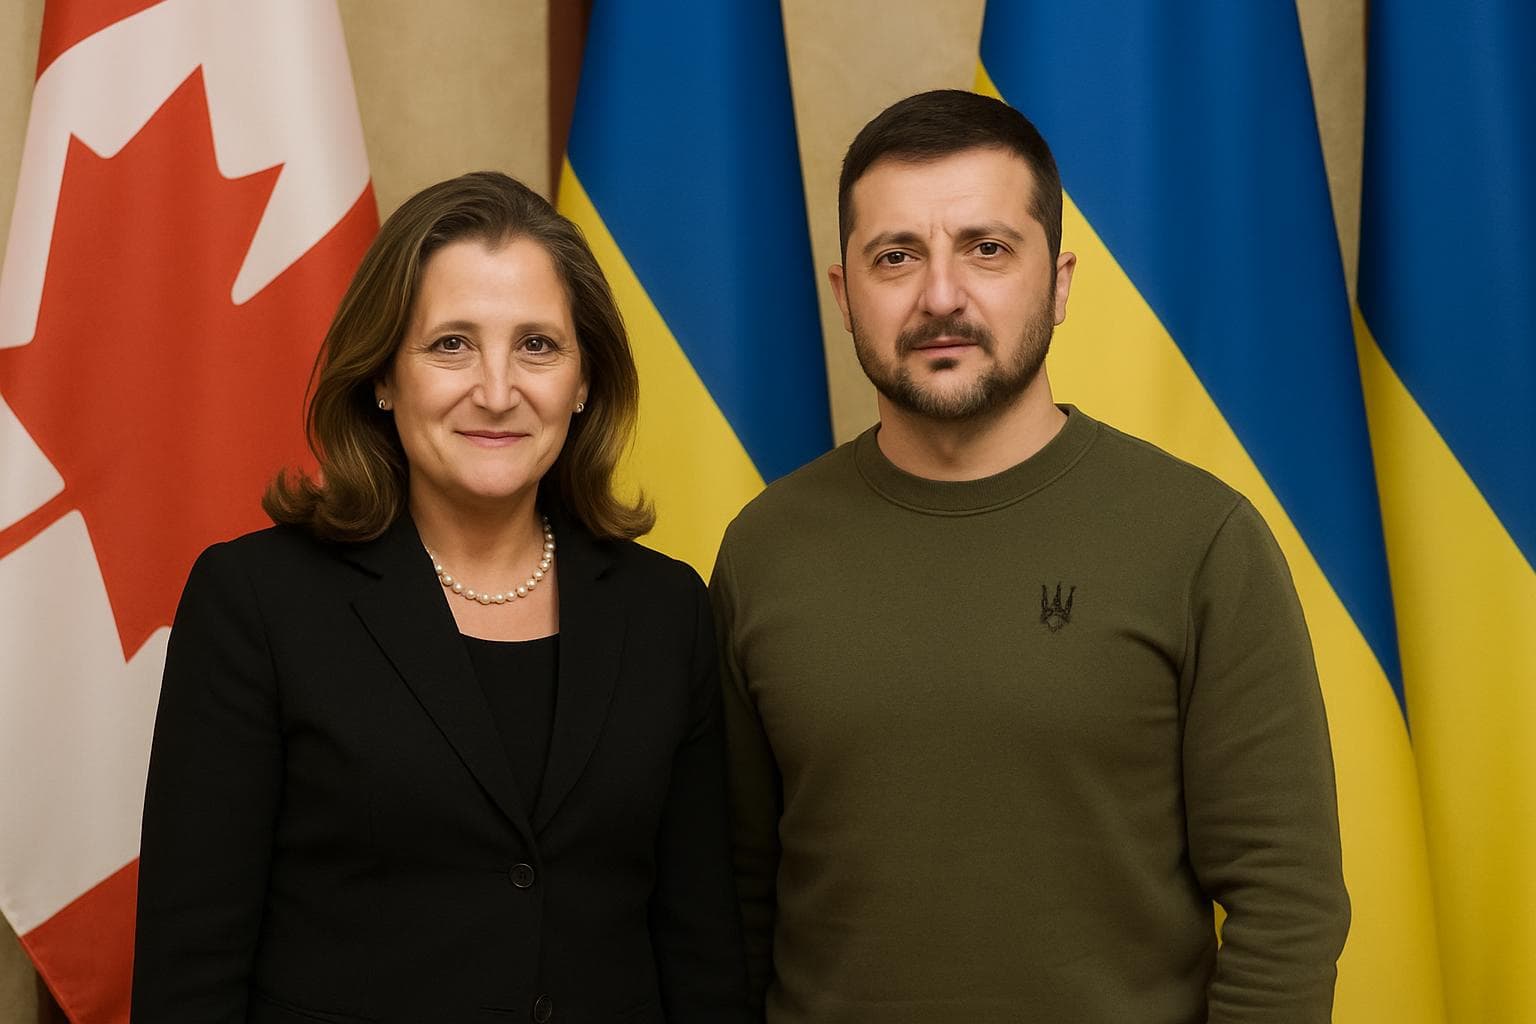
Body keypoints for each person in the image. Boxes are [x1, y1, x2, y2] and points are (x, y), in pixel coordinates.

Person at [712, 90, 1349, 1023]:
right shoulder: (763, 548)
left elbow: (1286, 903)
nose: (940, 296)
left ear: (1057, 281)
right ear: (844, 294)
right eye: (896, 257)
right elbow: (731, 903)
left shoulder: (1199, 538)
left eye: (987, 249)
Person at [133, 171, 750, 1023]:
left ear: (584, 381)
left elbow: (703, 957)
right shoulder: (256, 603)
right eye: (451, 344)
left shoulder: (666, 610)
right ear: (383, 376)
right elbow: (189, 974)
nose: (496, 391)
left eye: (537, 345)